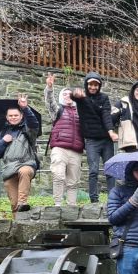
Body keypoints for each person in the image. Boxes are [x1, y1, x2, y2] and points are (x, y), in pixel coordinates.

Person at [70, 72, 118, 204]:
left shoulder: (104, 98)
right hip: (91, 141)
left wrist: (111, 132)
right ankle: (94, 200)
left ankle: (112, 199)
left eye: (96, 85)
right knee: (93, 171)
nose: (93, 87)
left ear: (99, 86)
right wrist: (75, 94)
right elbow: (72, 96)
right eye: (90, 84)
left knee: (110, 169)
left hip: (106, 140)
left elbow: (106, 116)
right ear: (86, 85)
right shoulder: (81, 97)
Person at [0, 100, 40, 213]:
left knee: (24, 171)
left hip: (26, 164)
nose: (13, 117)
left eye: (16, 115)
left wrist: (25, 108)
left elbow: (34, 123)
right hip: (9, 169)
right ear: (7, 117)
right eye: (11, 116)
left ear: (21, 116)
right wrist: (3, 142)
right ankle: (18, 221)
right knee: (14, 205)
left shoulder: (28, 129)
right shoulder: (2, 133)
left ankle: (23, 202)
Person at [44, 73, 84, 206]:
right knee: (58, 176)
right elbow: (50, 102)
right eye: (65, 94)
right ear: (62, 97)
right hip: (59, 148)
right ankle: (57, 205)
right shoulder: (58, 110)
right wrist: (49, 88)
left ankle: (71, 206)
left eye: (70, 94)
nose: (68, 96)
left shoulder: (81, 112)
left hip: (76, 150)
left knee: (73, 181)